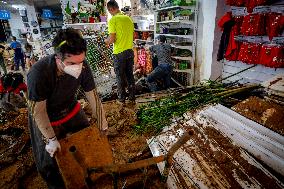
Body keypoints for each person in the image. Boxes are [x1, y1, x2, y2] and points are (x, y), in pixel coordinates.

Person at [27, 28, 115, 188]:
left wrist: (102, 122)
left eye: (81, 62)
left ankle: (89, 178)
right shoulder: (38, 73)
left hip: (70, 106)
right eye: (72, 63)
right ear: (58, 58)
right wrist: (51, 139)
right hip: (45, 116)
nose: (78, 67)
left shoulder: (84, 67)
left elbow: (93, 96)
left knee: (88, 141)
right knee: (50, 161)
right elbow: (38, 111)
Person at [105, 0, 135, 105]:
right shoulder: (128, 19)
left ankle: (121, 99)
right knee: (130, 75)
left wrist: (106, 41)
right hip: (130, 51)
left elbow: (112, 39)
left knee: (119, 76)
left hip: (119, 53)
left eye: (109, 11)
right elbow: (133, 35)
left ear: (110, 9)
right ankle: (132, 97)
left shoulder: (113, 20)